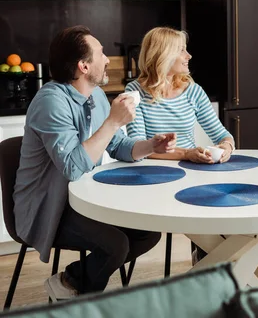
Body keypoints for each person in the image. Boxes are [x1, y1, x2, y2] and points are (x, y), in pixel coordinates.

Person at [13, 26, 176, 301]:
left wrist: (150, 146)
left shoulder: (97, 96)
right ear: (84, 65)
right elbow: (73, 167)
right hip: (48, 207)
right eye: (101, 53)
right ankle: (82, 302)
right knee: (115, 245)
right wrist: (113, 122)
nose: (108, 59)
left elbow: (118, 145)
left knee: (147, 234)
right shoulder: (51, 102)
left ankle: (70, 282)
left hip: (85, 200)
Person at [125, 27, 234, 163]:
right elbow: (137, 147)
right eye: (181, 50)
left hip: (191, 168)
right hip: (151, 170)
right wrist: (186, 154)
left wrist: (227, 146)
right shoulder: (135, 91)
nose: (188, 55)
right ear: (164, 55)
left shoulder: (193, 91)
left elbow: (222, 134)